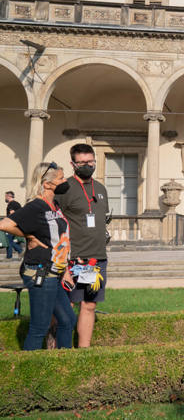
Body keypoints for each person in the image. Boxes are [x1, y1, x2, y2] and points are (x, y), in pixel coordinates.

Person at [0, 162, 76, 350]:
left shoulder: (55, 204)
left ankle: (64, 365)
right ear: (47, 184)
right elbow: (5, 224)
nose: (65, 181)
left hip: (55, 271)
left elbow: (61, 239)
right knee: (39, 327)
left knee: (67, 320)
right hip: (39, 271)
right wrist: (29, 235)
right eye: (61, 178)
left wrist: (65, 270)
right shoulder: (36, 206)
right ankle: (29, 372)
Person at [55, 143, 109, 348]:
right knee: (65, 306)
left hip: (96, 258)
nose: (88, 165)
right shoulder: (64, 188)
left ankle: (83, 352)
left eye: (91, 161)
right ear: (73, 164)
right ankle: (58, 350)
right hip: (72, 259)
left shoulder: (101, 189)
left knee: (89, 305)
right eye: (83, 162)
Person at [4, 191, 22, 259]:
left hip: (11, 225)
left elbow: (12, 214)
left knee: (8, 241)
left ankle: (20, 251)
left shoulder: (11, 204)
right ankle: (9, 256)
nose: (5, 198)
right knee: (10, 240)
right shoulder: (17, 204)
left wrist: (6, 221)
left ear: (9, 196)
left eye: (6, 197)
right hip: (17, 224)